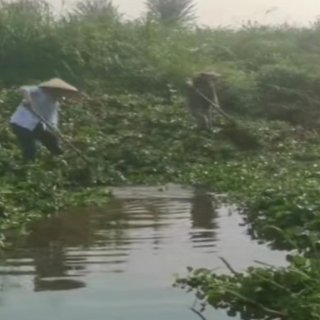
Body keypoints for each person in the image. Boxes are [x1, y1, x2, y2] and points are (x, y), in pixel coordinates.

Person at [10, 78, 78, 162]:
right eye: (60, 92)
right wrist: (28, 99)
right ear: (54, 90)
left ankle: (59, 159)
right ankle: (26, 166)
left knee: (52, 139)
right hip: (20, 122)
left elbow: (52, 121)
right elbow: (24, 88)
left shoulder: (54, 104)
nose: (61, 95)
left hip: (35, 124)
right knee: (30, 148)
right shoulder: (40, 92)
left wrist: (58, 134)